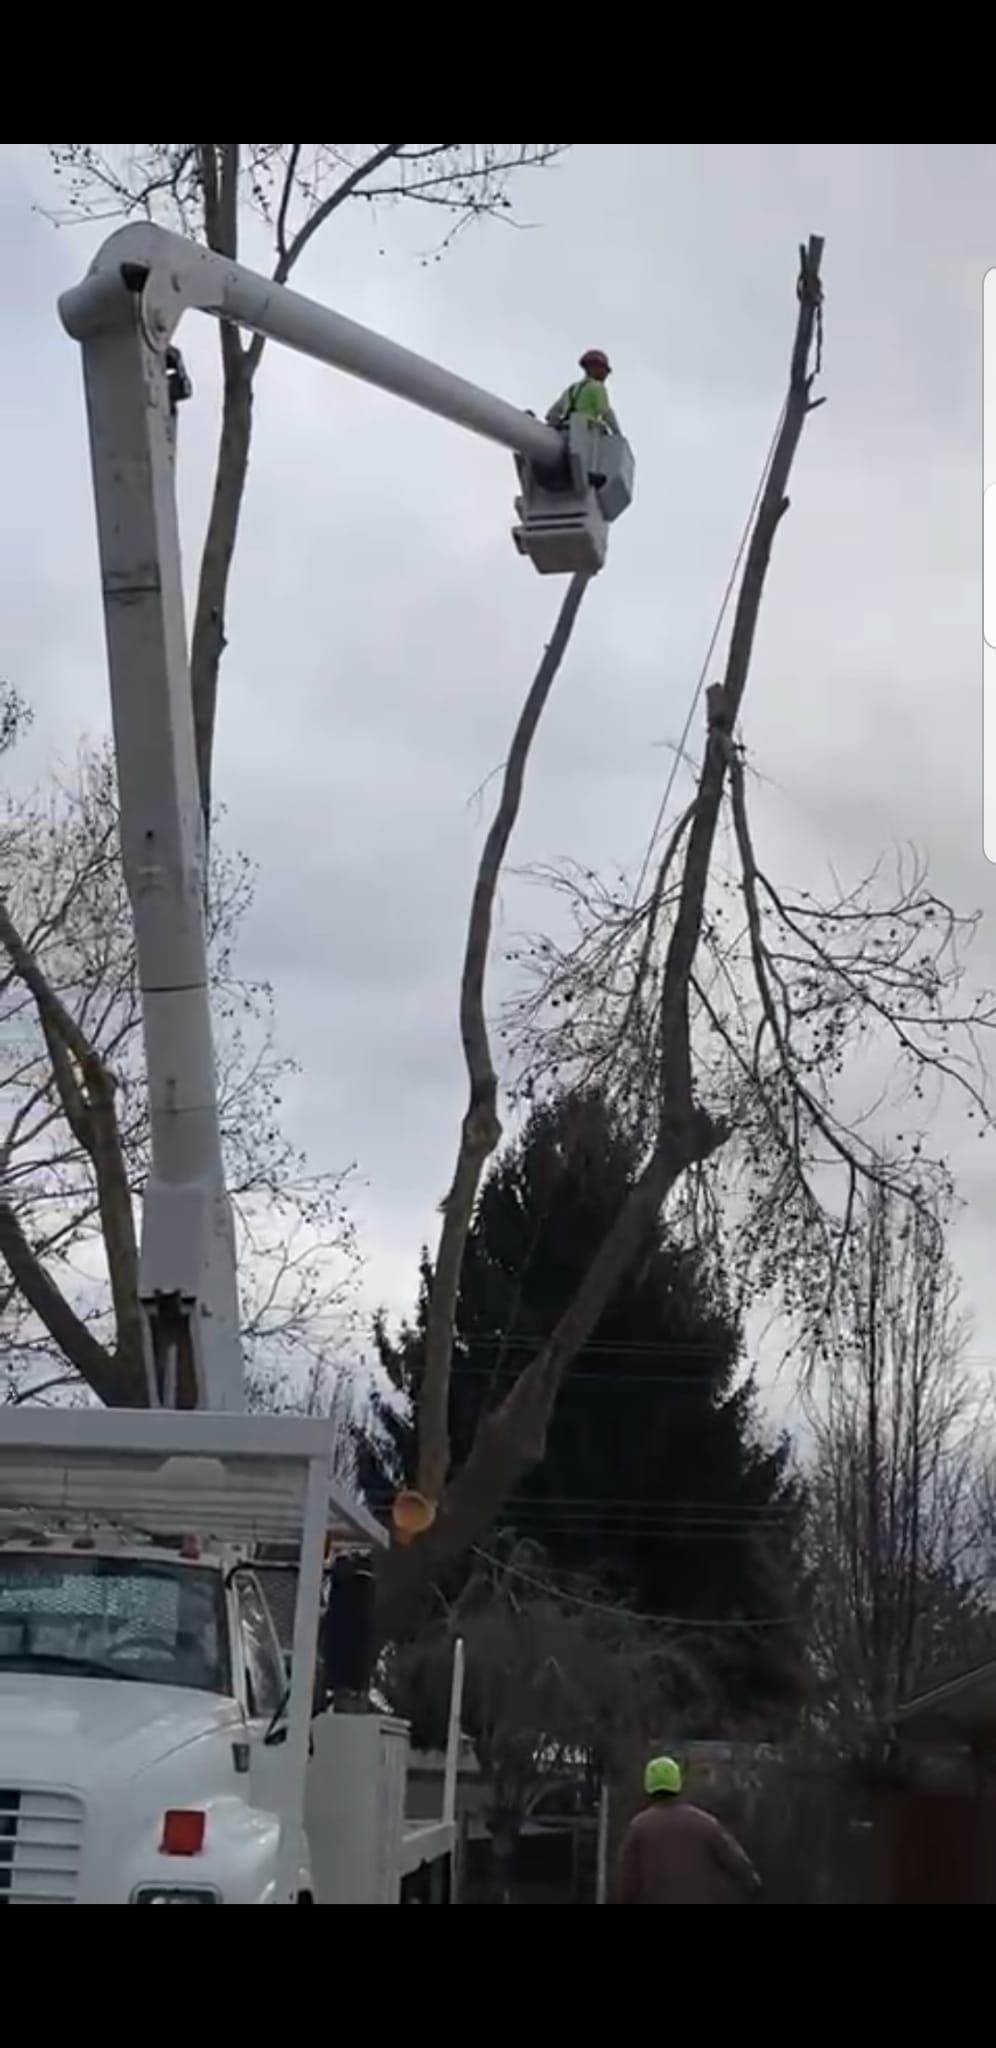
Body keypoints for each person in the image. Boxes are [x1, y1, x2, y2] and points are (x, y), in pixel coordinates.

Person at [615, 1754, 761, 1905]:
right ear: (678, 1784)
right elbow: (736, 1860)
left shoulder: (639, 1827)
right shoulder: (705, 1823)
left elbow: (627, 1880)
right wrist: (752, 1883)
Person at [546, 349, 621, 437]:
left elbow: (551, 414)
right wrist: (617, 434)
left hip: (566, 432)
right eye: (604, 370)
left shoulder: (571, 389)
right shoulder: (597, 387)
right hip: (586, 436)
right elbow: (606, 413)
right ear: (594, 367)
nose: (605, 374)